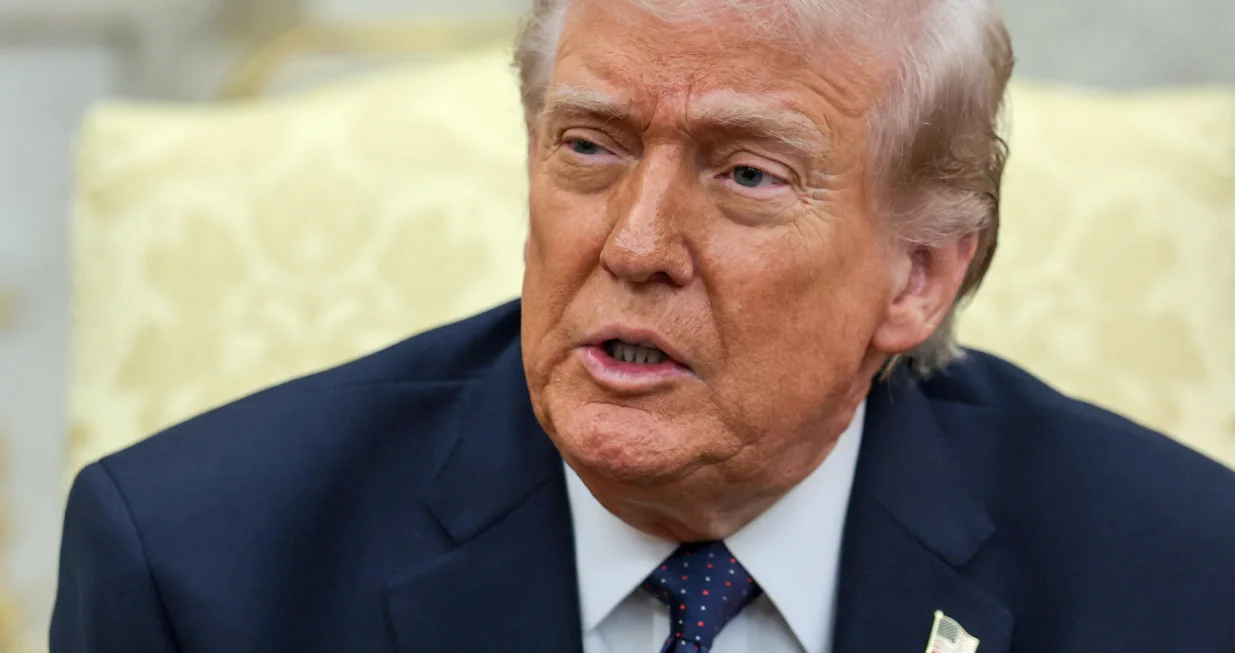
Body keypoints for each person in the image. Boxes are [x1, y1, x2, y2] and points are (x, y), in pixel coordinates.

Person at [52, 0, 1235, 651]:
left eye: (747, 174)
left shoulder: (1181, 578)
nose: (630, 243)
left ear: (917, 275)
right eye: (589, 145)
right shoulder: (198, 569)